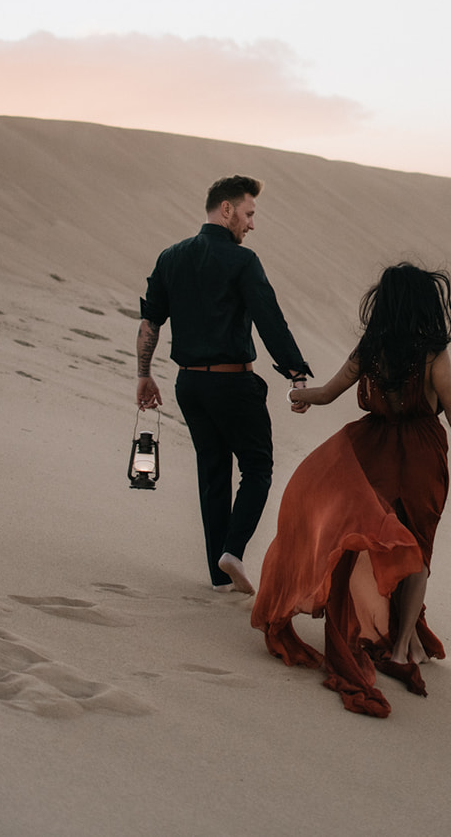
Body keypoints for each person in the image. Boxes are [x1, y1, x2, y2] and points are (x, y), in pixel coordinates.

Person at [250, 263, 451, 717]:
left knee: (372, 539)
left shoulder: (370, 348)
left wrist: (298, 397)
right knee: (418, 550)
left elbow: (328, 393)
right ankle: (402, 644)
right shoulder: (433, 355)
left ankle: (392, 641)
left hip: (371, 453)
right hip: (424, 458)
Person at [136, 174, 313, 595]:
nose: (252, 224)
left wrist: (143, 374)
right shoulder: (242, 262)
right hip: (233, 385)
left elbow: (150, 322)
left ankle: (218, 576)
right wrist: (296, 372)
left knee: (212, 473)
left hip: (189, 387)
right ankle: (233, 551)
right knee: (257, 468)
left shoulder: (170, 257)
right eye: (249, 214)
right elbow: (270, 319)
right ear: (227, 209)